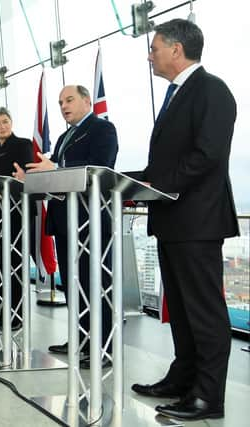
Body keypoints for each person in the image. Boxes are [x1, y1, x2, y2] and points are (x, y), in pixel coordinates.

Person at [129, 19, 237, 421]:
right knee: (184, 311)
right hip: (174, 220)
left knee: (205, 313)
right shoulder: (178, 94)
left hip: (198, 221)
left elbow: (208, 155)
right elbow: (167, 161)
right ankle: (182, 378)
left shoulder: (212, 90)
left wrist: (157, 185)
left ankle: (209, 397)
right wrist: (133, 182)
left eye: (154, 47)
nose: (150, 55)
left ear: (177, 49)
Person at [14, 85, 119, 367]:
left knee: (95, 283)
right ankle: (81, 338)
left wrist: (56, 169)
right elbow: (56, 177)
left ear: (87, 100)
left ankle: (102, 348)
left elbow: (99, 166)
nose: (63, 106)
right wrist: (33, 178)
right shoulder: (63, 136)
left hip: (89, 221)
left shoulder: (102, 130)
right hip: (63, 220)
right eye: (60, 102)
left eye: (69, 100)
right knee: (73, 284)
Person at [0, 107, 33, 331]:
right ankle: (5, 309)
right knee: (1, 265)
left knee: (15, 264)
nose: (2, 126)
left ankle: (17, 314)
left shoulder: (23, 145)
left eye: (5, 121)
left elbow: (25, 175)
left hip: (17, 211)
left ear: (11, 122)